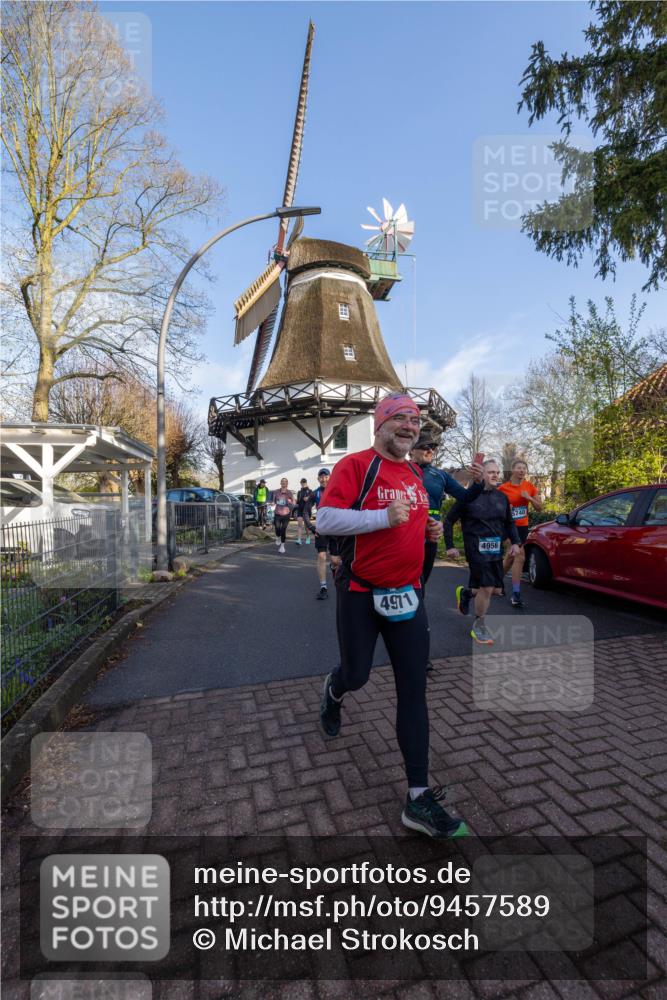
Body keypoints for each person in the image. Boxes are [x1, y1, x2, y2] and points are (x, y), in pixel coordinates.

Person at [317, 392, 468, 839]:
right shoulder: (356, 466)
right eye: (399, 418)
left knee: (413, 691)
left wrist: (430, 528)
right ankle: (335, 686)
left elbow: (411, 521)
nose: (408, 425)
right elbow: (325, 519)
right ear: (380, 424)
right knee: (358, 675)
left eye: (414, 420)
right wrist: (381, 518)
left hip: (408, 595)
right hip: (362, 592)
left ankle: (418, 799)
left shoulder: (416, 475)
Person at [444, 459, 521, 645]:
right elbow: (449, 521)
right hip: (475, 548)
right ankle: (479, 626)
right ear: (480, 474)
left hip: (495, 549)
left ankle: (467, 593)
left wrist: (516, 542)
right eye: (491, 472)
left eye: (497, 472)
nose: (495, 475)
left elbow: (509, 522)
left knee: (496, 589)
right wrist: (450, 546)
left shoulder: (502, 497)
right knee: (487, 588)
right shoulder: (468, 497)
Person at [410, 436, 484, 587]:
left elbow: (465, 497)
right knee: (405, 580)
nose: (430, 450)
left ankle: (419, 607)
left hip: (431, 534)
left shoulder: (440, 475)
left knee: (422, 582)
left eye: (433, 448)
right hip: (406, 532)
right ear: (412, 450)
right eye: (425, 447)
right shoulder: (400, 469)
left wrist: (478, 482)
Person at [498, 459, 542, 608]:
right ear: (512, 470)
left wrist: (529, 498)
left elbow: (539, 508)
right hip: (508, 527)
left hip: (522, 527)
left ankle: (497, 582)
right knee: (520, 555)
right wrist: (504, 509)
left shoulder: (529, 487)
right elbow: (493, 506)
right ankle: (516, 594)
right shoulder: (503, 488)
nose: (522, 470)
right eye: (519, 468)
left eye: (524, 468)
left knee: (510, 557)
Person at [307, 468, 340, 600]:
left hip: (335, 530)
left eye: (326, 476)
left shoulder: (337, 491)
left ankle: (333, 568)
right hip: (321, 530)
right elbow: (305, 512)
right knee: (321, 556)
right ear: (318, 479)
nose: (324, 479)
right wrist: (312, 528)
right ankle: (323, 587)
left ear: (330, 477)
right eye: (321, 477)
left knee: (335, 560)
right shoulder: (315, 494)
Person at [272, 478, 294, 554]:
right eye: (282, 482)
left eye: (285, 482)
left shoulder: (289, 493)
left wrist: (290, 502)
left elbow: (293, 503)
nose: (284, 483)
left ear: (287, 483)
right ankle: (278, 537)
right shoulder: (276, 492)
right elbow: (274, 501)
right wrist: (272, 504)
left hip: (286, 514)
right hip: (277, 513)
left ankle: (282, 547)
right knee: (277, 528)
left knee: (283, 530)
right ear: (280, 483)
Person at [295, 478, 314, 546]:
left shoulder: (310, 491)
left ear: (306, 483)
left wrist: (308, 499)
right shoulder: (299, 492)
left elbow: (312, 502)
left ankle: (308, 537)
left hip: (306, 510)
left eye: (304, 482)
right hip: (300, 509)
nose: (303, 484)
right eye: (302, 483)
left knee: (306, 526)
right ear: (300, 483)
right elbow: (298, 501)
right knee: (299, 525)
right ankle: (299, 540)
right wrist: (296, 501)